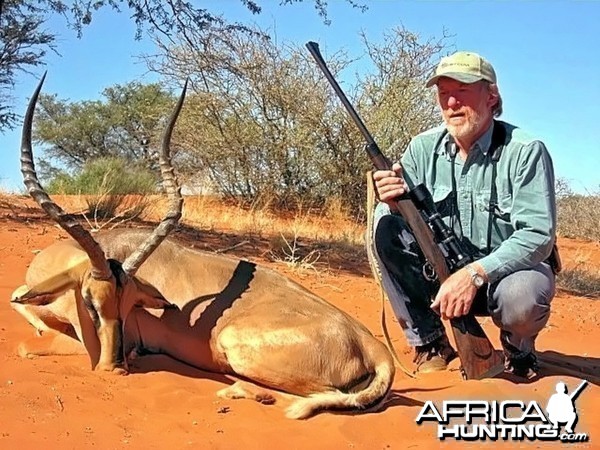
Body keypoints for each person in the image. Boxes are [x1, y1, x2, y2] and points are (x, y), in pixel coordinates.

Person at [370, 51, 557, 379]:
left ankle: (517, 347)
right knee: (384, 226)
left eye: (463, 90)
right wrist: (392, 200)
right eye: (444, 93)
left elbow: (538, 234)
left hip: (502, 277)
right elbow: (401, 220)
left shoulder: (526, 151)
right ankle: (430, 343)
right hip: (443, 279)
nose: (452, 102)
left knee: (523, 297)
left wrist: (473, 275)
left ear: (492, 96)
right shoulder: (422, 148)